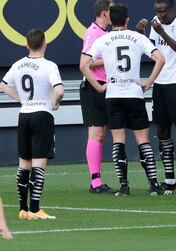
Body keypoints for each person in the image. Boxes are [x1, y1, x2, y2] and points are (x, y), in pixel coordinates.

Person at [80, 3, 168, 196]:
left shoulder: (105, 39)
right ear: (127, 19)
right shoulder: (137, 37)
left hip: (113, 94)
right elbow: (160, 59)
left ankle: (124, 186)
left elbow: (83, 65)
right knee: (143, 140)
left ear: (111, 19)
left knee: (118, 141)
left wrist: (99, 86)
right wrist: (148, 83)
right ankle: (153, 184)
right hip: (134, 93)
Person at [1, 29, 64, 220]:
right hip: (42, 115)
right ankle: (35, 209)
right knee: (39, 164)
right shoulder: (49, 65)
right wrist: (55, 101)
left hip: (24, 115)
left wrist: (22, 100)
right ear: (45, 43)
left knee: (24, 164)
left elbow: (3, 85)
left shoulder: (18, 64)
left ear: (27, 45)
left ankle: (23, 209)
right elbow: (59, 90)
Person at [136, 0, 176, 193]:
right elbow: (153, 52)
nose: (159, 15)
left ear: (171, 9)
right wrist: (142, 34)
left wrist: (161, 32)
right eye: (156, 11)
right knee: (162, 130)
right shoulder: (155, 23)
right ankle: (170, 180)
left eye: (162, 11)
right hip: (160, 83)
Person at [79, 0, 115, 194]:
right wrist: (107, 58)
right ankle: (95, 181)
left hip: (102, 86)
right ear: (104, 13)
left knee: (100, 135)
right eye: (111, 10)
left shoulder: (104, 33)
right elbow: (85, 63)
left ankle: (97, 180)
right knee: (97, 134)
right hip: (93, 87)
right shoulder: (93, 32)